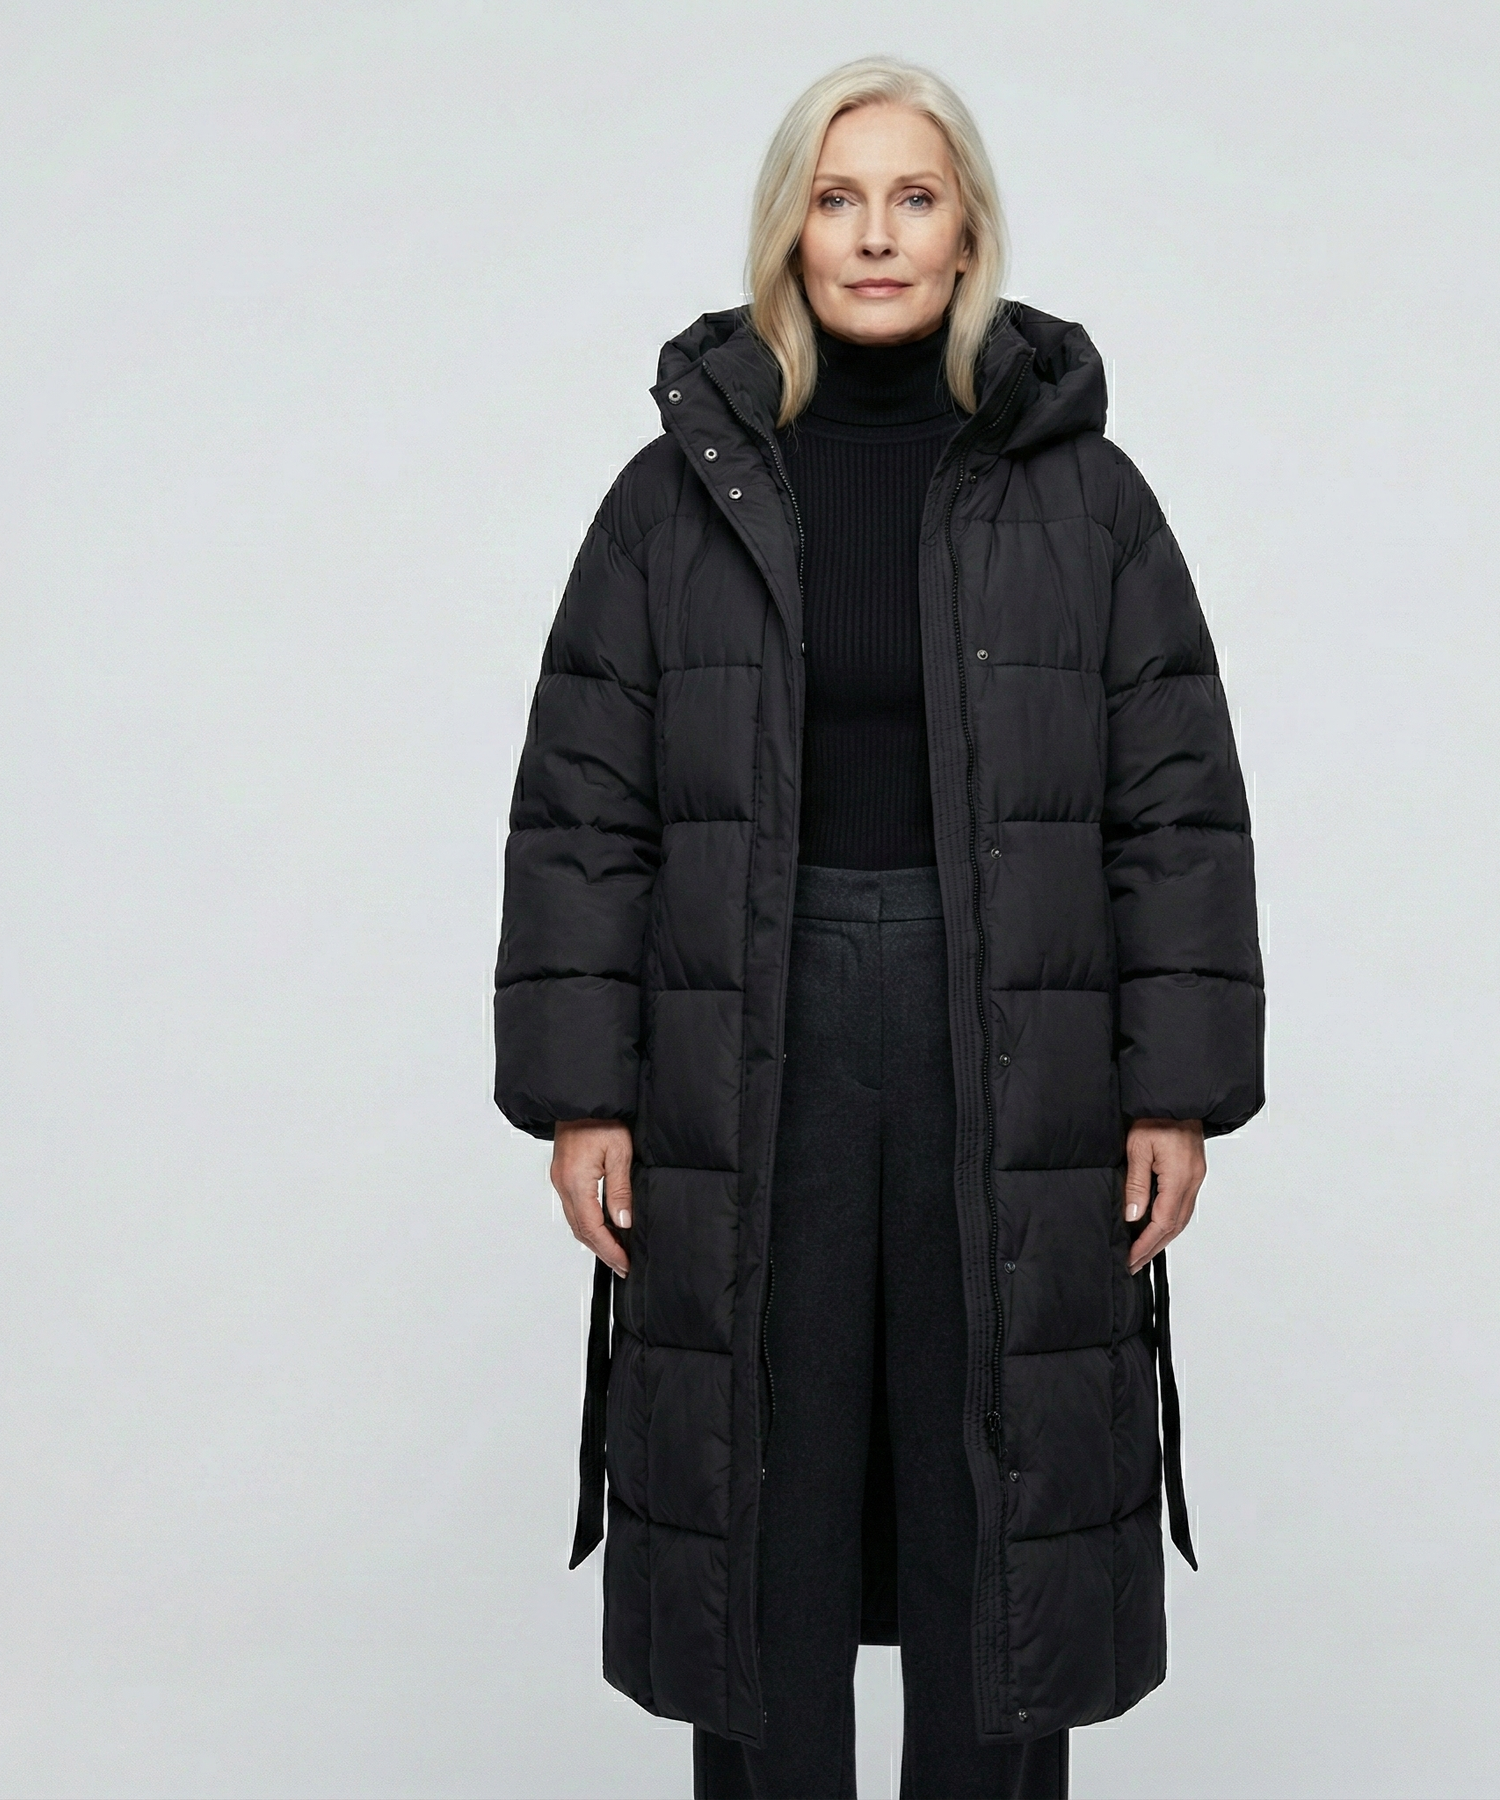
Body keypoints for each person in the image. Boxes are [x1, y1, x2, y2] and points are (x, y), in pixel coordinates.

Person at [493, 54, 1264, 1800]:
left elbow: (1175, 807)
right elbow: (583, 811)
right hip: (747, 1043)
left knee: (998, 1502)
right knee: (760, 1497)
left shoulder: (1088, 501)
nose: (875, 234)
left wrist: (1174, 1091)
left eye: (914, 197)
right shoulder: (673, 498)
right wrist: (585, 1096)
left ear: (968, 228)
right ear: (791, 229)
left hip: (1013, 1043)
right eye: (838, 199)